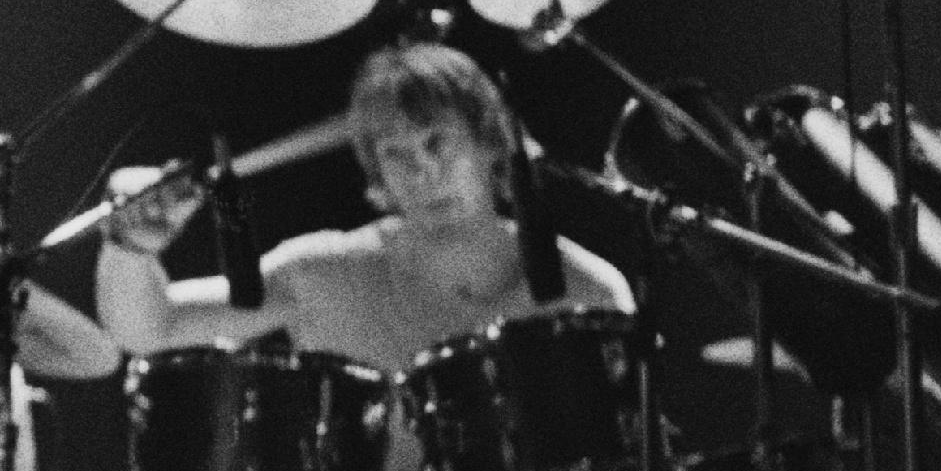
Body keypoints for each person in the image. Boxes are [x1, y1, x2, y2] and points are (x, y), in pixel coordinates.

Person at [95, 38, 630, 377]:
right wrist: (130, 244)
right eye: (397, 155)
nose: (423, 173)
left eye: (438, 144)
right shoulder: (326, 273)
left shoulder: (591, 294)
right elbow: (150, 329)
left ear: (491, 143)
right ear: (377, 174)